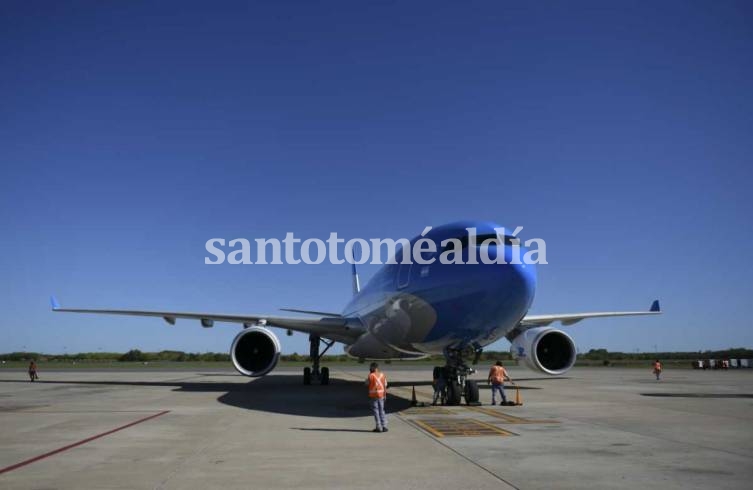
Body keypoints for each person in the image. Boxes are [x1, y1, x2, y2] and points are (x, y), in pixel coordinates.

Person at [366, 362, 388, 432]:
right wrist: (385, 395)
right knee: (382, 410)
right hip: (381, 395)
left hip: (373, 396)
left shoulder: (371, 376)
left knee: (376, 411)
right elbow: (385, 385)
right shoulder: (382, 375)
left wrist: (369, 376)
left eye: (371, 367)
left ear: (374, 368)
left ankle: (378, 427)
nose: (370, 369)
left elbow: (366, 384)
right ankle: (384, 426)